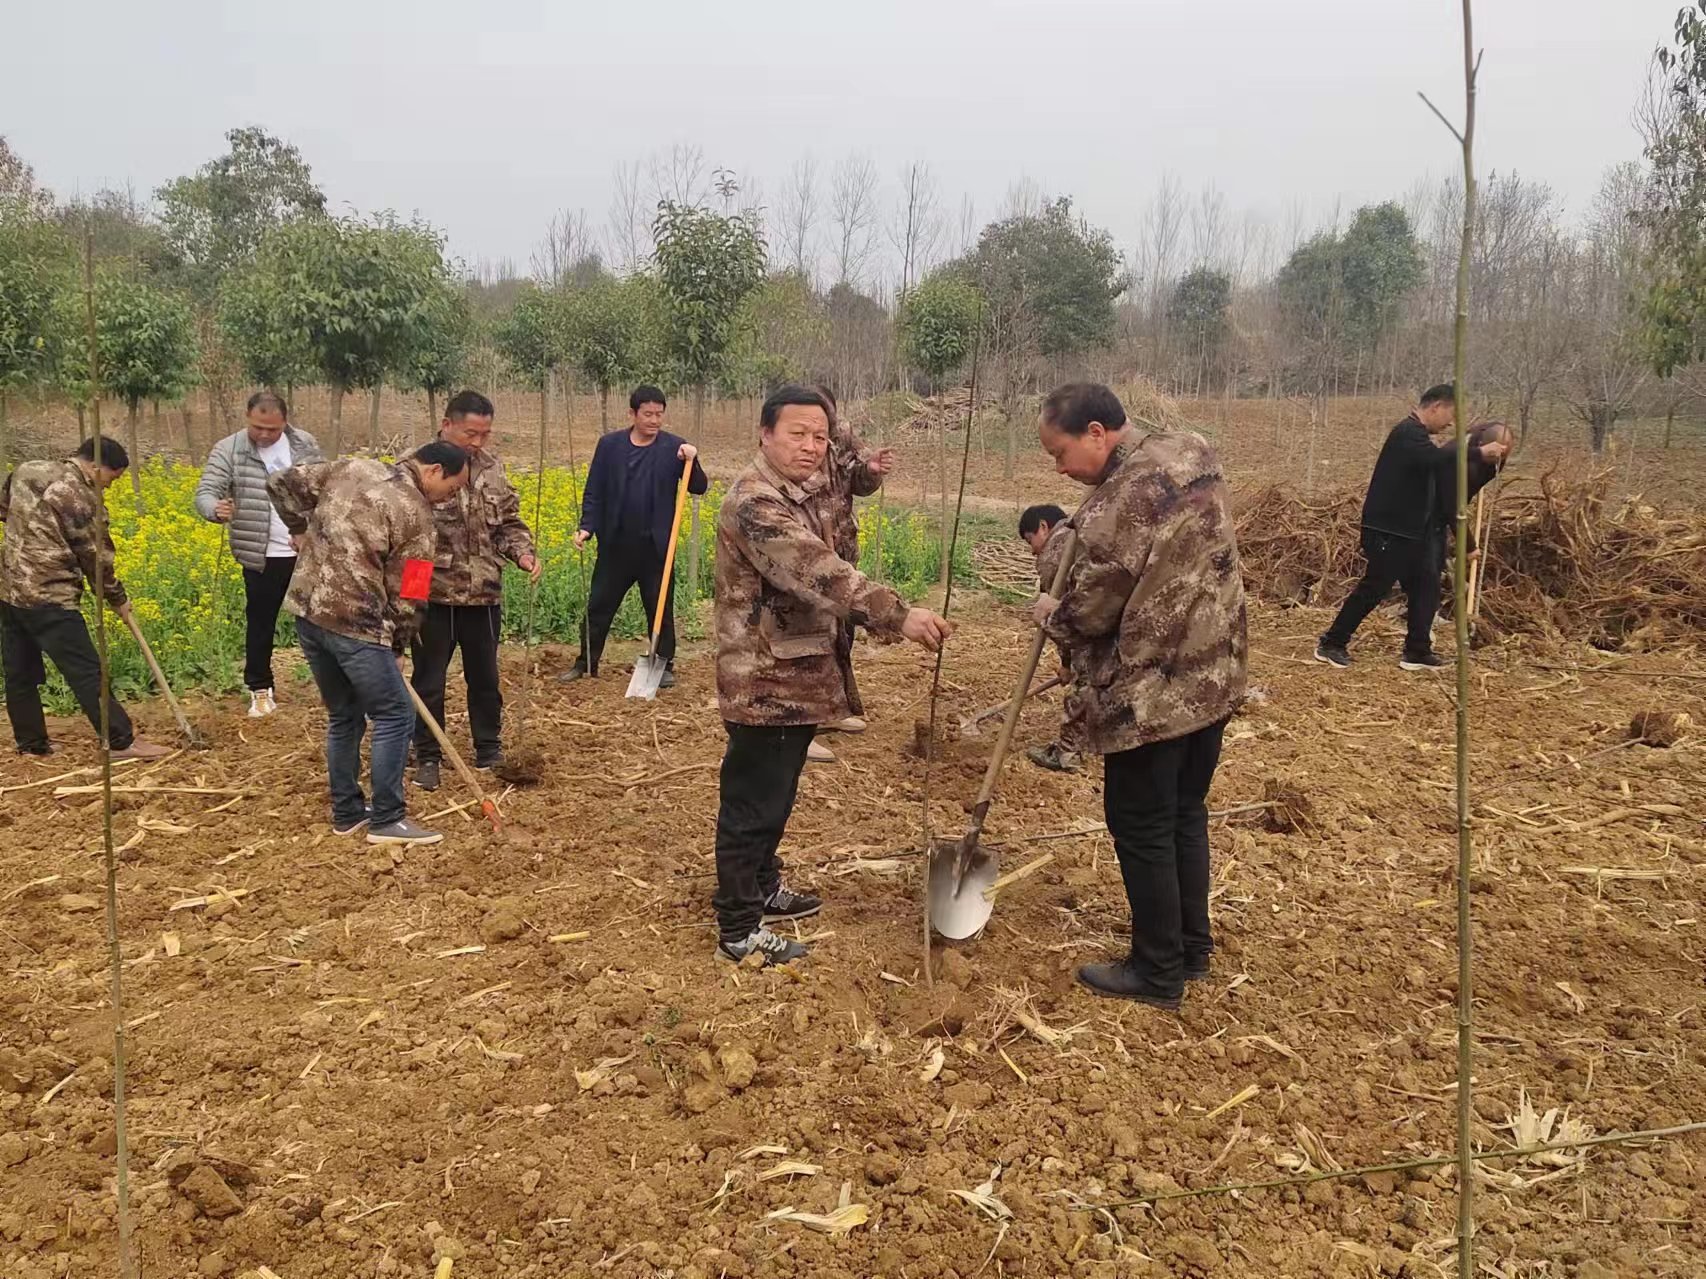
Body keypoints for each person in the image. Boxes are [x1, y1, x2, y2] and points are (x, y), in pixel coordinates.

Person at [711, 386, 953, 966]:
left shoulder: (806, 491)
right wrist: (898, 614)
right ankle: (739, 928)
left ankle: (763, 887)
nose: (811, 446)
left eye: (820, 436)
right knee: (753, 802)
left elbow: (840, 548)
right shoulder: (755, 503)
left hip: (797, 671)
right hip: (763, 680)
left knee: (778, 790)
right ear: (765, 433)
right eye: (797, 433)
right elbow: (820, 572)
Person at [1032, 384, 1247, 1009]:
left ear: (1097, 432)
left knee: (1142, 823)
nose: (1059, 468)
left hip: (1154, 690)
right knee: (1185, 812)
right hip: (1215, 670)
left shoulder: (1115, 504)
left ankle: (1157, 972)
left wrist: (1052, 610)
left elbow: (1091, 611)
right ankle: (1190, 946)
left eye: (1060, 452)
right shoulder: (1192, 449)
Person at [268, 442, 470, 845]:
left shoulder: (351, 467)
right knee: (395, 715)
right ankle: (387, 818)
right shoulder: (417, 514)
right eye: (451, 487)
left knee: (344, 715)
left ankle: (347, 813)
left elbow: (280, 482)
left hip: (309, 612)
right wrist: (397, 646)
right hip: (356, 624)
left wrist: (299, 530)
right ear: (432, 470)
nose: (450, 497)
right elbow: (411, 593)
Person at [0, 437, 172, 760]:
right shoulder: (82, 498)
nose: (108, 487)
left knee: (20, 671)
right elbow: (98, 560)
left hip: (9, 590)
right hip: (50, 596)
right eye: (112, 478)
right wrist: (117, 598)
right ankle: (121, 741)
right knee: (86, 670)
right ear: (96, 467)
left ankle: (32, 745)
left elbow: (5, 510)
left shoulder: (26, 470)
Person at [1315, 384, 1508, 671]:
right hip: (1388, 531)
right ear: (1436, 407)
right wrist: (1478, 452)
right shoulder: (1407, 434)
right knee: (1375, 587)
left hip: (1410, 533)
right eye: (1451, 414)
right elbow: (1436, 458)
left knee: (1426, 586)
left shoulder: (1418, 438)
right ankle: (1332, 643)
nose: (1450, 423)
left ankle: (1417, 651)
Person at [409, 390, 539, 792]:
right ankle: (428, 755)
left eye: (485, 434)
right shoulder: (416, 469)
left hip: (483, 593)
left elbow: (508, 524)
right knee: (429, 679)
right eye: (470, 433)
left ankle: (489, 748)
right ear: (447, 424)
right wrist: (409, 600)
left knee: (485, 678)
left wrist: (523, 554)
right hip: (433, 596)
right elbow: (405, 541)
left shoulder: (493, 468)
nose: (478, 443)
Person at [558, 385, 708, 688]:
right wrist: (587, 526)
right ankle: (586, 662)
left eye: (659, 414)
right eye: (648, 414)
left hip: (655, 548)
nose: (654, 420)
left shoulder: (675, 448)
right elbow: (595, 491)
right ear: (633, 413)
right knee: (599, 606)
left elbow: (699, 487)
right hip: (616, 545)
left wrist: (693, 460)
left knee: (659, 608)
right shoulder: (609, 446)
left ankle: (663, 663)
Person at [194, 391, 325, 718]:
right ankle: (260, 688)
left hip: (306, 552)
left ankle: (332, 685)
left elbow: (324, 487)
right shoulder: (229, 449)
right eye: (258, 428)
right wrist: (215, 509)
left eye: (272, 429)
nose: (265, 435)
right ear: (247, 418)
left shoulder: (304, 444)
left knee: (321, 622)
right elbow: (206, 491)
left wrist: (312, 531)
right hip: (261, 553)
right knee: (261, 623)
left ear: (285, 422)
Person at [807, 384, 898, 763]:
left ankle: (833, 709)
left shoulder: (843, 435)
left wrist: (872, 470)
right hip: (806, 551)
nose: (820, 431)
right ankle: (803, 723)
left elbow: (860, 480)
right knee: (808, 633)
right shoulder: (792, 440)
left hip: (841, 549)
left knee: (841, 632)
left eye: (826, 422)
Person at [1017, 504, 1081, 773]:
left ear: (1043, 527)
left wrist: (1068, 664)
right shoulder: (1081, 533)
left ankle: (1068, 753)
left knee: (1085, 682)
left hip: (1090, 627)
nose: (1033, 550)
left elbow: (1063, 618)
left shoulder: (1055, 553)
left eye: (1031, 541)